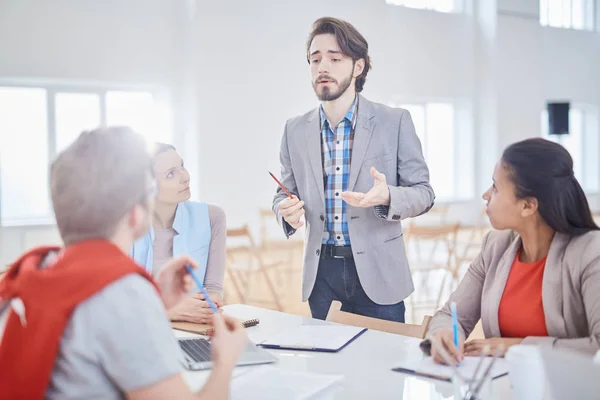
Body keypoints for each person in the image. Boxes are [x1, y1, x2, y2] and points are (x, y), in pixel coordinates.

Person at [0, 127, 247, 399]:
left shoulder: (28, 273)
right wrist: (224, 361)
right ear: (135, 214)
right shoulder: (122, 295)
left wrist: (155, 302)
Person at [272, 17, 435, 322]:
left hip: (379, 273)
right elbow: (283, 193)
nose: (323, 67)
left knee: (382, 368)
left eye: (335, 58)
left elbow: (424, 193)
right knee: (326, 368)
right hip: (321, 277)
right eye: (315, 58)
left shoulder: (395, 122)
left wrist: (389, 196)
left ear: (358, 67)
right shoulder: (293, 130)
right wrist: (285, 209)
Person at [428, 138, 600, 365]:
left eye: (496, 188)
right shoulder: (495, 246)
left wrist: (517, 347)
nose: (486, 195)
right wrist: (446, 336)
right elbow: (450, 316)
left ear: (528, 205)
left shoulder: (590, 252)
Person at [131, 143, 226, 324]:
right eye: (171, 174)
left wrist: (211, 302)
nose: (185, 177)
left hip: (194, 332)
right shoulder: (126, 228)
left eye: (182, 166)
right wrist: (170, 312)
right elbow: (117, 306)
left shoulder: (213, 217)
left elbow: (213, 288)